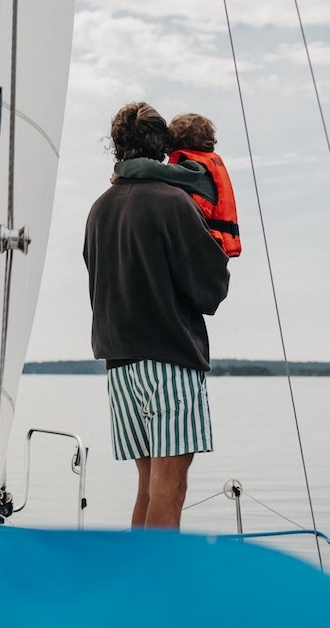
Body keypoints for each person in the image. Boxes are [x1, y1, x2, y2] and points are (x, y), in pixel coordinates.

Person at [83, 102, 230, 529]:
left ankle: (137, 585)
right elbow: (210, 291)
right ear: (163, 146)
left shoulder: (99, 208)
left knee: (148, 485)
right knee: (171, 488)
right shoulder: (172, 203)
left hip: (120, 365)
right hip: (168, 359)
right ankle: (159, 590)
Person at [167, 112, 241, 257]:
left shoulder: (193, 169)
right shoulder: (207, 166)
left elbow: (162, 173)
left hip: (201, 243)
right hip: (214, 242)